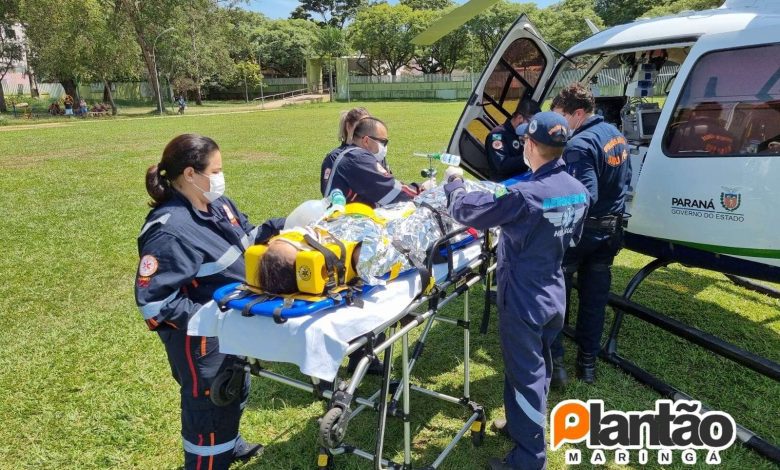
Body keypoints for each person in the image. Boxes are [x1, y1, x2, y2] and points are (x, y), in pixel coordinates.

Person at [443, 112, 589, 470]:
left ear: (531, 145)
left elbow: (466, 210)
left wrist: (454, 182)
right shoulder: (578, 190)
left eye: (526, 140)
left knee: (526, 373)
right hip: (554, 288)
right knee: (535, 365)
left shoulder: (524, 195)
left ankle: (528, 459)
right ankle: (521, 424)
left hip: (524, 294)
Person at [135, 134, 285, 469]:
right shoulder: (170, 231)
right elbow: (155, 305)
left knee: (235, 388)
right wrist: (215, 317)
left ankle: (228, 443)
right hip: (200, 340)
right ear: (190, 174)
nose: (220, 177)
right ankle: (208, 457)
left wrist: (286, 226)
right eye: (215, 170)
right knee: (208, 405)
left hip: (231, 323)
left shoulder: (217, 204)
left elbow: (246, 238)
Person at [550, 83, 632, 387]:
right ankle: (587, 364)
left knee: (558, 297)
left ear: (579, 113)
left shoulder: (578, 145)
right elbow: (626, 180)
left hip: (583, 233)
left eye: (560, 116)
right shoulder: (616, 135)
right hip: (611, 231)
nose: (557, 124)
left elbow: (583, 196)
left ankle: (555, 364)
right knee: (594, 299)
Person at [321, 116, 429, 207]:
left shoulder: (349, 154)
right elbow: (393, 192)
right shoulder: (358, 158)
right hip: (346, 223)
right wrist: (422, 190)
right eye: (383, 142)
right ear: (366, 141)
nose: (385, 147)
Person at [485, 100, 540, 182]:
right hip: (504, 186)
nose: (532, 127)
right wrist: (529, 156)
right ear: (520, 118)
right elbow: (502, 166)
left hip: (524, 180)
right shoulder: (497, 135)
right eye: (530, 122)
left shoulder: (526, 134)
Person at [320, 107, 371, 196]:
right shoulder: (333, 158)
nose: (366, 131)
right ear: (348, 127)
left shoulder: (374, 154)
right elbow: (328, 193)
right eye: (361, 126)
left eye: (368, 127)